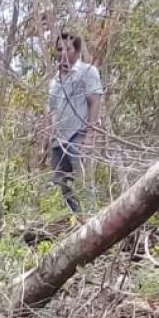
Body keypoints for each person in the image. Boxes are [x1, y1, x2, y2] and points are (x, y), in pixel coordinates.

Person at [46, 31, 103, 213]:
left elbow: (94, 101)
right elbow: (53, 111)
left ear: (77, 52)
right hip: (58, 141)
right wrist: (46, 142)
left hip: (78, 136)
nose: (63, 52)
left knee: (83, 182)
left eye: (67, 48)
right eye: (59, 49)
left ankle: (91, 219)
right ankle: (73, 221)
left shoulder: (87, 72)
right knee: (61, 186)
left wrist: (90, 135)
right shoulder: (54, 82)